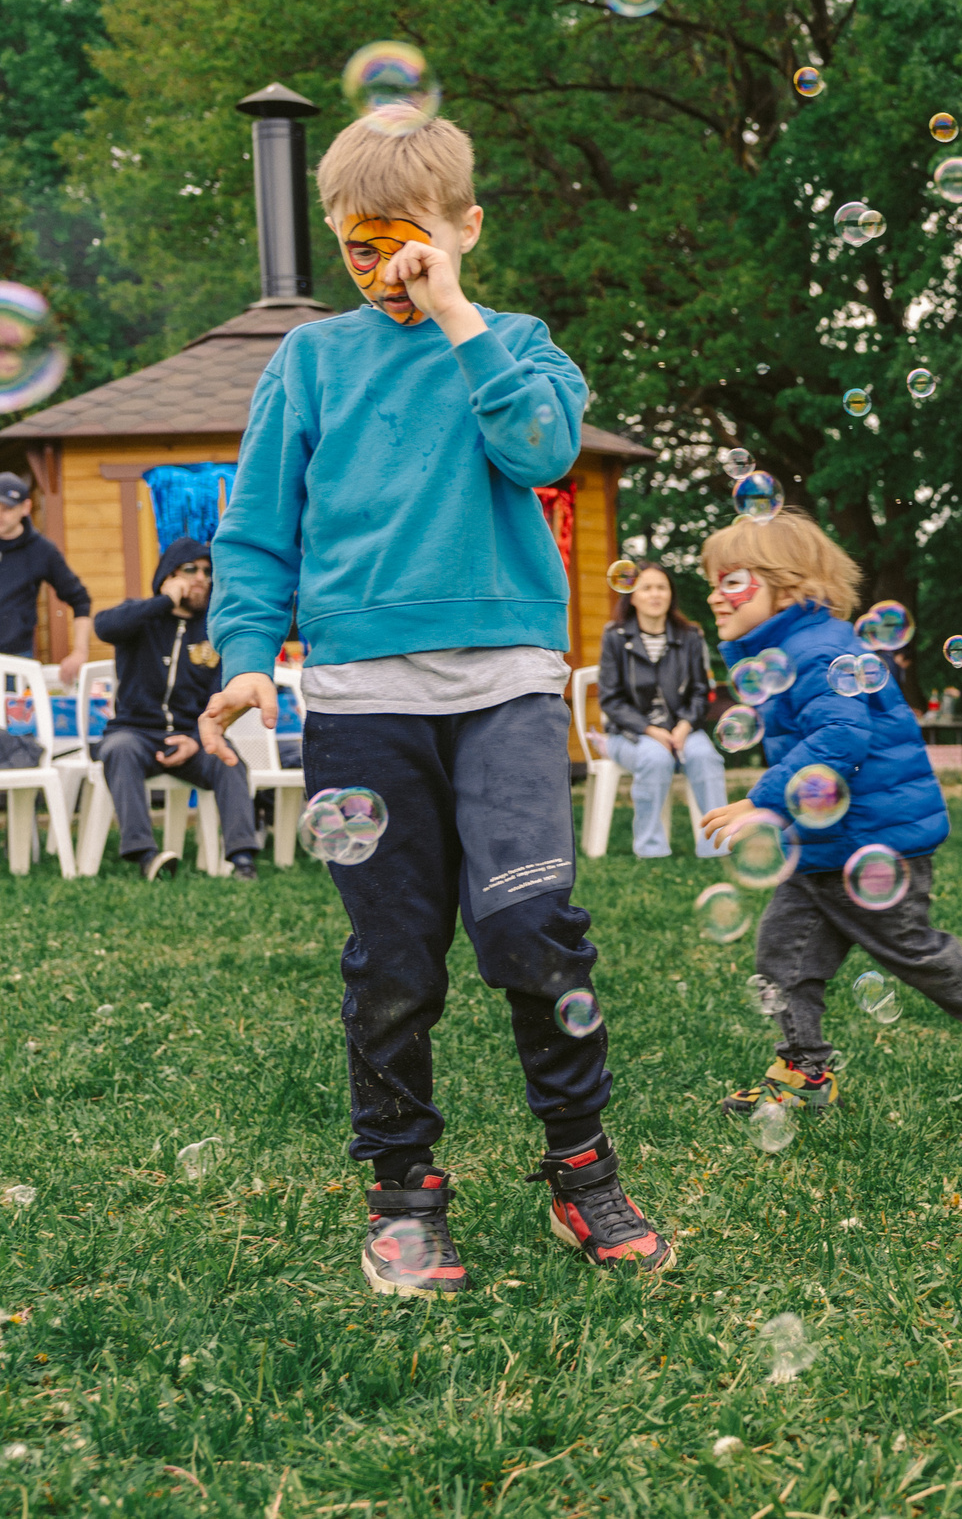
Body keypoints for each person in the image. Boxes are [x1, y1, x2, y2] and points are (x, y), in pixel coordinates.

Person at [199, 113, 670, 1297]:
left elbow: (540, 451)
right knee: (396, 959)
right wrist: (247, 653)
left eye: (405, 242)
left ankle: (581, 1170)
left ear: (465, 229)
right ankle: (403, 1190)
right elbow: (256, 530)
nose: (383, 269)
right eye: (357, 248)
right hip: (361, 700)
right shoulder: (310, 362)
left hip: (506, 687)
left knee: (531, 928)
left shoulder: (517, 346)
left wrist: (459, 316)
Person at [695, 509, 962, 1118]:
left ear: (788, 586)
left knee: (914, 953)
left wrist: (761, 800)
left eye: (731, 581)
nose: (714, 595)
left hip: (874, 842)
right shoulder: (788, 650)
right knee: (782, 956)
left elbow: (840, 738)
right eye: (712, 582)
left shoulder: (816, 650)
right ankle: (804, 1069)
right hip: (823, 843)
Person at [92, 538, 259, 881]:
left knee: (228, 760)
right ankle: (145, 855)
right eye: (190, 569)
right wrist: (164, 601)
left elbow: (218, 696)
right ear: (169, 575)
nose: (201, 578)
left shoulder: (213, 630)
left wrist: (196, 740)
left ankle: (242, 859)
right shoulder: (141, 617)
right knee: (119, 749)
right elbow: (104, 627)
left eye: (207, 572)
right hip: (135, 732)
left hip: (190, 734)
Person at [595, 561, 728, 857]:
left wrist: (683, 727)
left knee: (705, 756)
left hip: (682, 729)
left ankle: (716, 845)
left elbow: (700, 692)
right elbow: (611, 700)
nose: (655, 594)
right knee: (655, 757)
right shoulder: (615, 635)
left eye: (661, 587)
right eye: (646, 588)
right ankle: (651, 847)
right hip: (630, 733)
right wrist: (650, 730)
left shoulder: (690, 636)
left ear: (671, 595)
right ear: (632, 596)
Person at [0, 472, 89, 676]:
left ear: (26, 507)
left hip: (16, 659)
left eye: (7, 509)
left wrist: (80, 652)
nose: (0, 515)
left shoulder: (42, 551)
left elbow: (80, 599)